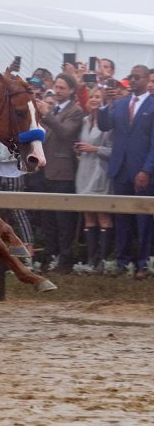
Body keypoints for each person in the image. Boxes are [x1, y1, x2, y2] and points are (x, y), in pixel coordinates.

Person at [97, 64, 154, 279]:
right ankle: (122, 262)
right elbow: (104, 126)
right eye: (131, 76)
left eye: (137, 77)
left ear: (147, 80)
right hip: (120, 169)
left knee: (143, 220)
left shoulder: (152, 105)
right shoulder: (120, 105)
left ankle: (143, 263)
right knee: (122, 218)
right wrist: (104, 103)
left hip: (142, 172)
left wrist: (146, 170)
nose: (133, 80)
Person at [37, 73, 82, 273]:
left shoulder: (75, 111)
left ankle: (65, 259)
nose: (58, 90)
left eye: (62, 87)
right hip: (46, 169)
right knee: (48, 220)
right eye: (56, 86)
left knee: (64, 220)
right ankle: (51, 255)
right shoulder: (53, 109)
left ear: (72, 90)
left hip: (64, 172)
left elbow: (65, 132)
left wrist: (47, 114)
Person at [74, 86, 113, 272]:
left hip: (100, 172)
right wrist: (79, 148)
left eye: (98, 96)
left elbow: (114, 151)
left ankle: (104, 261)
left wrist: (95, 149)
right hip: (83, 172)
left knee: (102, 215)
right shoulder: (84, 121)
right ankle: (91, 260)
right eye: (92, 97)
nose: (95, 99)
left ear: (104, 100)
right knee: (88, 216)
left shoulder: (109, 124)